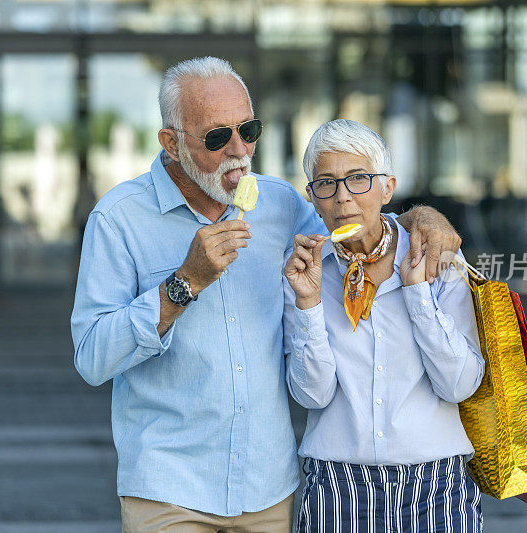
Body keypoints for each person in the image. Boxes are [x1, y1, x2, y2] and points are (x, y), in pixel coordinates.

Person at [71, 57, 463, 533]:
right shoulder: (119, 219)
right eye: (217, 137)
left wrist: (425, 218)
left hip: (268, 489)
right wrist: (183, 285)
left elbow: (358, 227)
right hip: (169, 488)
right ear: (171, 143)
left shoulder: (279, 205)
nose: (239, 150)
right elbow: (92, 358)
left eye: (248, 129)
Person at [283, 119, 484, 532]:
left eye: (358, 179)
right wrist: (307, 304)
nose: (343, 199)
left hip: (437, 486)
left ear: (387, 188)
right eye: (326, 183)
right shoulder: (304, 273)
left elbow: (460, 385)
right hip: (337, 487)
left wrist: (418, 296)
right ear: (312, 198)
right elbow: (312, 396)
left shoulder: (437, 257)